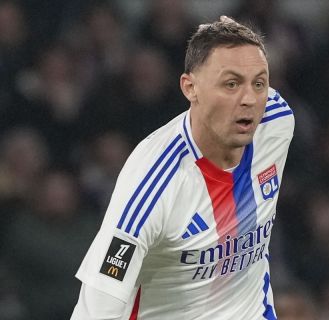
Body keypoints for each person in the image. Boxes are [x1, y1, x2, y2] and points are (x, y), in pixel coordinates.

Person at [71, 15, 294, 320]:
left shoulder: (277, 122)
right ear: (190, 88)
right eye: (231, 84)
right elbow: (97, 310)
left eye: (259, 83)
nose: (250, 99)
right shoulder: (153, 185)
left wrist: (234, 35)